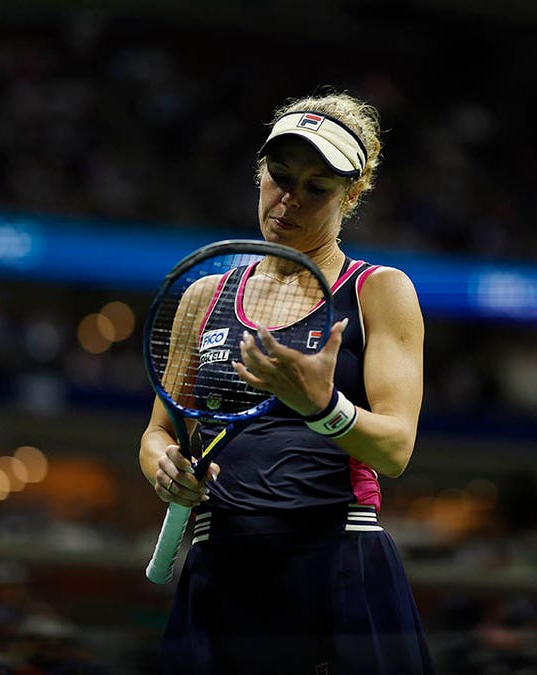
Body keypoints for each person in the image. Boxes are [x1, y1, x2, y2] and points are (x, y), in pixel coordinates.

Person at [138, 91, 432, 675]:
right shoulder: (204, 298)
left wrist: (323, 406)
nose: (289, 198)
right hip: (222, 564)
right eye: (279, 176)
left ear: (350, 196)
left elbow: (395, 449)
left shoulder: (380, 292)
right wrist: (163, 466)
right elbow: (159, 430)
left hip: (338, 559)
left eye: (316, 187)